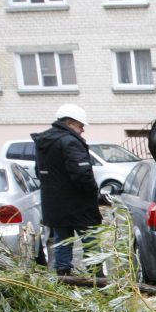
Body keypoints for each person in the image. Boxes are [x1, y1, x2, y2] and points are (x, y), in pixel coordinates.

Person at [33, 104, 103, 276]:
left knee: (62, 241)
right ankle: (97, 277)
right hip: (79, 206)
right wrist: (96, 194)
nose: (82, 130)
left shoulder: (44, 142)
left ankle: (63, 276)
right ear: (70, 123)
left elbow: (38, 172)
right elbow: (82, 175)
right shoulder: (70, 141)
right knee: (90, 242)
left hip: (55, 205)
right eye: (80, 126)